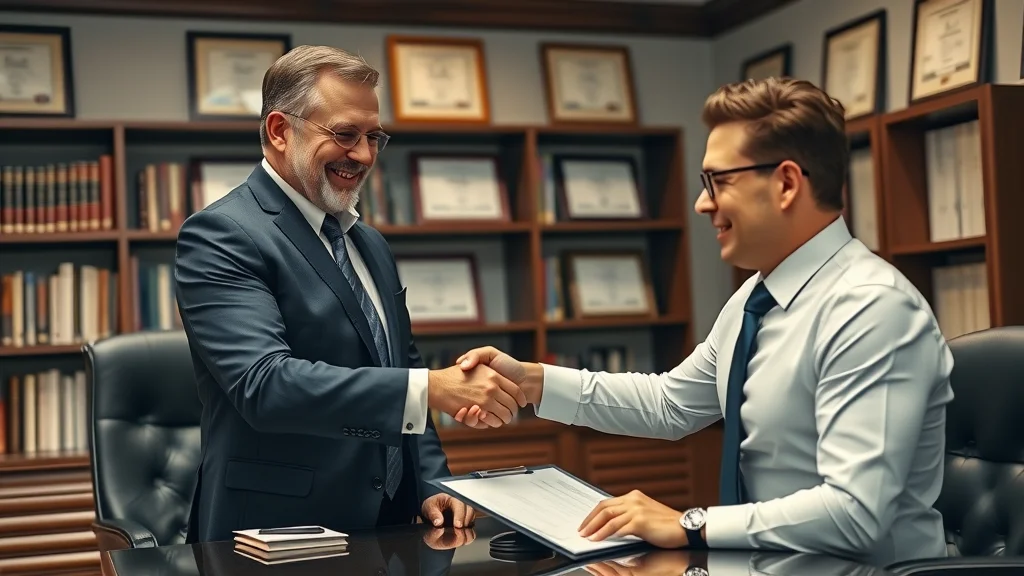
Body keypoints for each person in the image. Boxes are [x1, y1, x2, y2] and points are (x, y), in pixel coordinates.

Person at [454, 77, 953, 566]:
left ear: (785, 183)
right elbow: (672, 404)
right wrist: (534, 382)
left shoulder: (872, 309)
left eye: (719, 181)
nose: (701, 203)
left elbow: (855, 513)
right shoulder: (754, 299)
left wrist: (690, 523)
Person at [173, 45, 527, 543]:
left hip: (392, 529)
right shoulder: (221, 234)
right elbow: (264, 384)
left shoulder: (368, 241)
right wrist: (433, 388)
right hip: (275, 534)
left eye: (373, 137)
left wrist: (429, 480)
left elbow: (399, 363)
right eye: (344, 134)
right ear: (279, 130)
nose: (362, 155)